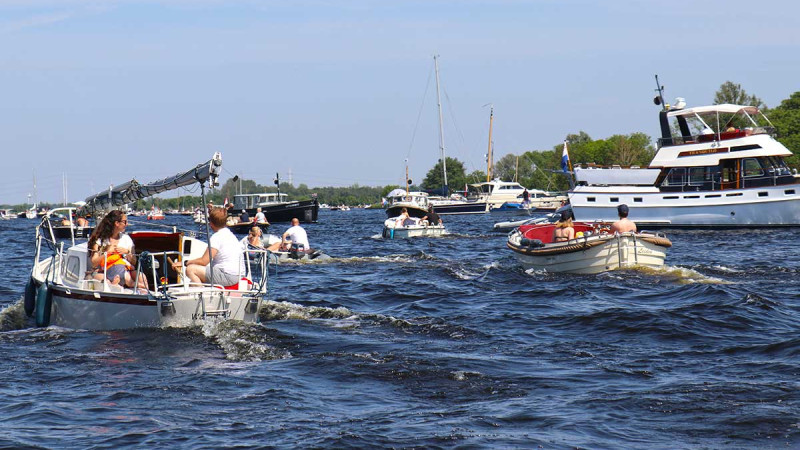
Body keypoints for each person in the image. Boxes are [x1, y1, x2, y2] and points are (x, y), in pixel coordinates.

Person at [172, 207, 244, 286]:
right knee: (198, 270)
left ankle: (200, 295)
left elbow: (204, 261)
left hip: (228, 276)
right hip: (238, 275)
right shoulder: (230, 235)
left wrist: (184, 263)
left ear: (211, 224)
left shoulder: (216, 237)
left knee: (190, 269)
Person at [88, 210, 147, 290]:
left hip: (126, 269)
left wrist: (126, 253)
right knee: (107, 282)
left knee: (141, 276)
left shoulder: (126, 239)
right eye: (124, 222)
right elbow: (94, 263)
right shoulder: (100, 240)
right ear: (117, 223)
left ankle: (145, 297)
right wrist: (107, 252)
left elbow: (134, 261)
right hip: (104, 271)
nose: (126, 224)